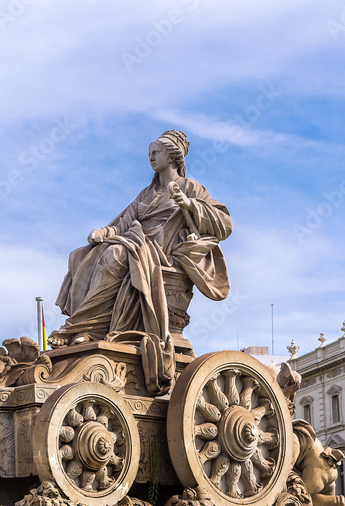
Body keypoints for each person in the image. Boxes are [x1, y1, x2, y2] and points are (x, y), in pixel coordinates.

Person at [50, 130, 232, 393]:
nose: (150, 158)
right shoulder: (145, 194)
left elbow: (225, 224)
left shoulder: (191, 188)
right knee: (80, 255)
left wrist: (191, 205)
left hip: (161, 253)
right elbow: (123, 223)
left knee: (116, 254)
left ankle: (82, 327)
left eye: (155, 153)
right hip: (137, 244)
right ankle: (87, 329)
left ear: (172, 155)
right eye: (149, 154)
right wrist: (105, 232)